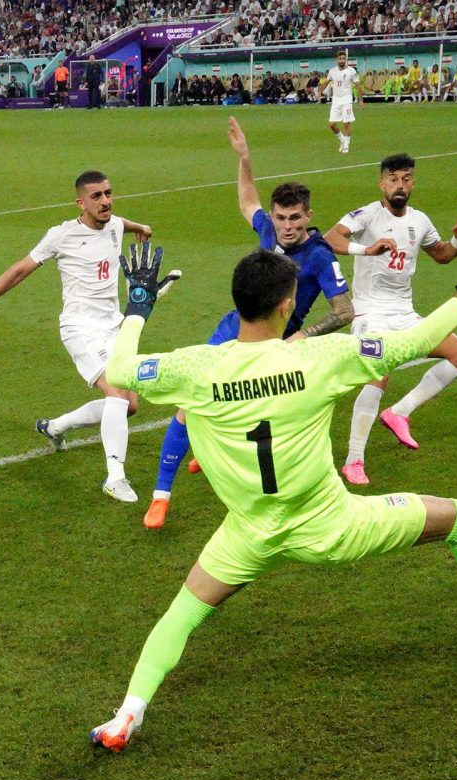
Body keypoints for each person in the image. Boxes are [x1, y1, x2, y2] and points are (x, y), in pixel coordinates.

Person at [90, 222, 457, 754]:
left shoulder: (195, 367)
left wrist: (139, 305)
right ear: (288, 305)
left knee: (183, 613)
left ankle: (126, 715)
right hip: (333, 527)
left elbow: (121, 368)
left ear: (238, 301)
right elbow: (420, 340)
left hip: (248, 534)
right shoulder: (323, 357)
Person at [144, 118, 354, 530]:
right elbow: (246, 202)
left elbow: (345, 311)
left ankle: (213, 453)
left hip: (276, 345)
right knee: (189, 404)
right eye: (281, 217)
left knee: (258, 410)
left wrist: (302, 335)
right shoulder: (267, 230)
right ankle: (160, 496)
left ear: (309, 216)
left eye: (295, 217)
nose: (288, 225)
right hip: (233, 328)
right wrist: (245, 158)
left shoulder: (320, 255)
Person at [0, 172, 155, 502]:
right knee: (117, 396)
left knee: (129, 406)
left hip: (113, 327)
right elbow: (20, 270)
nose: (105, 201)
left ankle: (56, 426)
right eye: (97, 197)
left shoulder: (115, 224)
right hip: (80, 329)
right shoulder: (61, 236)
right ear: (80, 202)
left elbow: (123, 223)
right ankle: (115, 478)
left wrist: (141, 228)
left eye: (109, 194)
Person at [324, 154, 457, 485]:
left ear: (413, 183)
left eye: (406, 179)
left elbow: (442, 255)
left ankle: (399, 412)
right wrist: (366, 250)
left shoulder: (420, 220)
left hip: (405, 314)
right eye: (393, 179)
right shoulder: (367, 214)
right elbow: (330, 238)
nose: (400, 185)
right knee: (378, 372)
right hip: (370, 313)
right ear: (382, 183)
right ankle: (354, 460)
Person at [326, 51, 362, 154]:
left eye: (343, 58)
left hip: (347, 100)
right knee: (332, 125)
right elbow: (327, 81)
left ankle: (346, 145)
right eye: (340, 59)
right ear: (337, 60)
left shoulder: (351, 71)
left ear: (346, 59)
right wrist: (320, 92)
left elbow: (358, 85)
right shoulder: (332, 71)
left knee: (346, 123)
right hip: (336, 100)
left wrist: (360, 100)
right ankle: (342, 140)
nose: (341, 60)